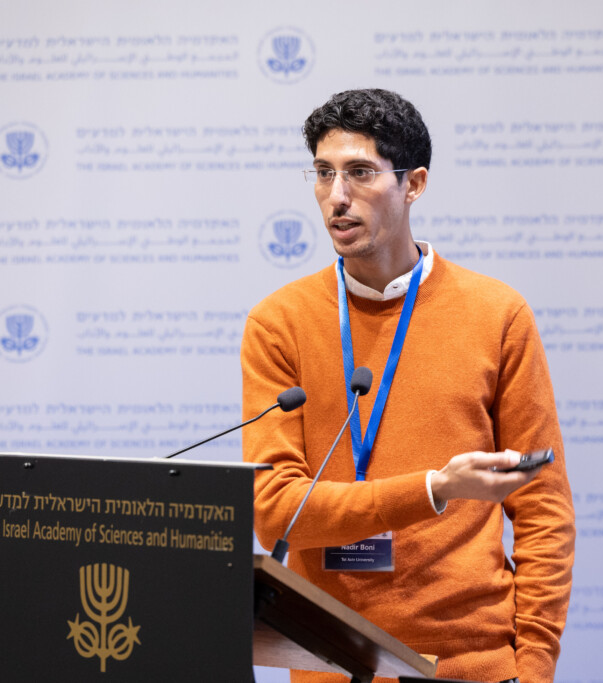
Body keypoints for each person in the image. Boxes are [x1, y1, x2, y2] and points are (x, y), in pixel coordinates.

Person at [242, 89, 575, 683]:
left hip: (471, 665)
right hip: (330, 663)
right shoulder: (279, 323)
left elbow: (543, 510)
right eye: (323, 173)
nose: (336, 196)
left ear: (413, 184)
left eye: (360, 172)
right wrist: (434, 489)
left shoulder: (496, 314)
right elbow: (275, 515)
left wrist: (534, 666)